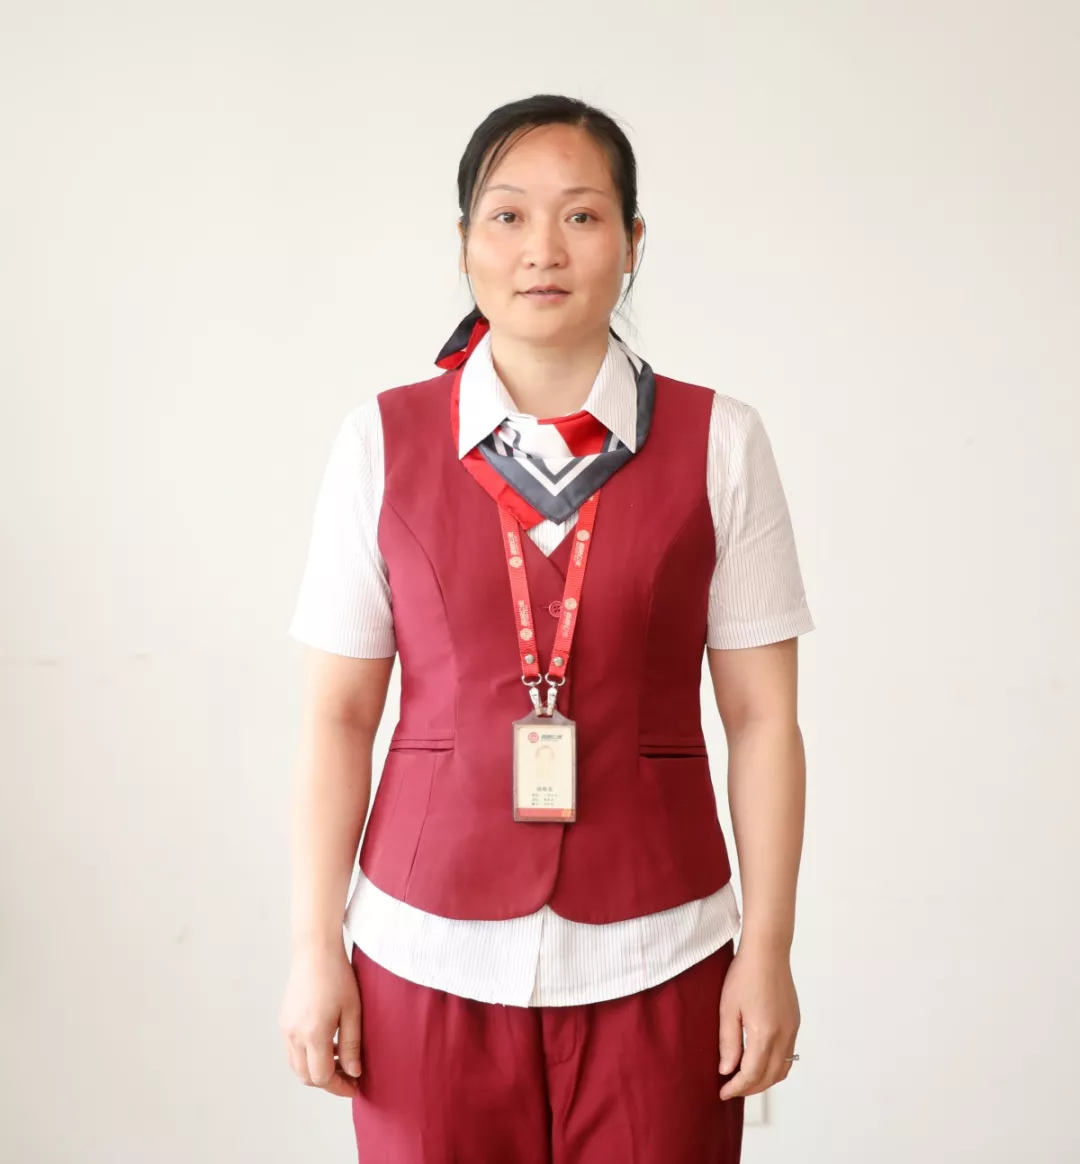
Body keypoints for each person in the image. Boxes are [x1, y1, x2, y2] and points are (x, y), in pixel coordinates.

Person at [279, 93, 815, 1164]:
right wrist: (312, 947)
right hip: (421, 948)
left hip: (663, 948)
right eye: (508, 216)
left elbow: (763, 720)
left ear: (633, 242)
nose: (542, 250)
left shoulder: (722, 441)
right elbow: (338, 717)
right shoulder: (380, 440)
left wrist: (767, 952)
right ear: (465, 244)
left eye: (581, 215)